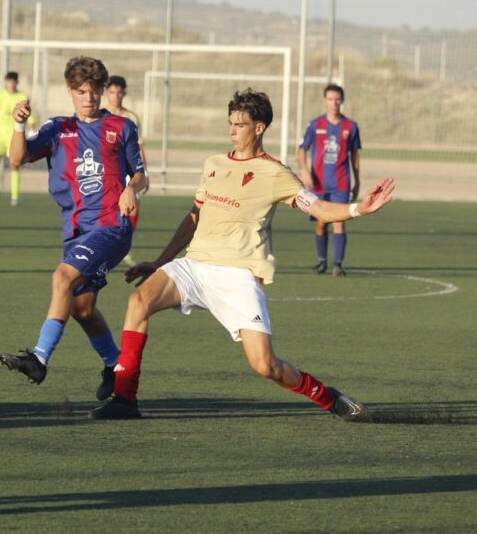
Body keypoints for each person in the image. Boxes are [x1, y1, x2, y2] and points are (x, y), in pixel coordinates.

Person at [90, 88, 394, 420]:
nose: (232, 131)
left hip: (237, 276)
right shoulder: (214, 163)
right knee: (138, 302)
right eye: (230, 123)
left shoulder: (276, 173)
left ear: (259, 128)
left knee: (266, 365)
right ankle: (125, 398)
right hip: (195, 265)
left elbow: (319, 209)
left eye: (240, 124)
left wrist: (358, 209)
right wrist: (161, 262)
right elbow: (194, 216)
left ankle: (328, 397)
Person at [0, 57, 148, 400]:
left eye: (94, 91)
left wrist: (131, 187)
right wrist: (18, 125)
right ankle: (115, 366)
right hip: (76, 231)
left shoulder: (121, 127)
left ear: (102, 91)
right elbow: (17, 159)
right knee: (81, 309)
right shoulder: (57, 128)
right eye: (81, 91)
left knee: (61, 279)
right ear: (70, 92)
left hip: (112, 227)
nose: (89, 98)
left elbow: (140, 174)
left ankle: (38, 358)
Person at [297, 84, 361, 277]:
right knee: (321, 222)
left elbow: (355, 156)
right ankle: (322, 261)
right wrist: (304, 171)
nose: (334, 103)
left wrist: (357, 181)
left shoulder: (351, 126)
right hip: (317, 183)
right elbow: (302, 149)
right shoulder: (315, 125)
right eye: (330, 99)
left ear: (342, 100)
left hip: (340, 184)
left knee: (339, 221)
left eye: (337, 99)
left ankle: (338, 264)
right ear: (325, 101)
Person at [105, 75, 149, 267]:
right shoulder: (100, 115)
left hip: (130, 170)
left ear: (124, 94)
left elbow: (139, 147)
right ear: (107, 93)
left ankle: (125, 248)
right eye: (112, 92)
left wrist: (145, 172)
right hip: (109, 170)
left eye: (119, 92)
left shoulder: (131, 117)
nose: (116, 96)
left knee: (132, 208)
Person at [0, 71, 35, 207]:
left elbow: (30, 115)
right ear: (6, 82)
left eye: (13, 81)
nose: (11, 84)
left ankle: (15, 196)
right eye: (8, 81)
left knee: (14, 165)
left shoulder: (22, 97)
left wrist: (31, 131)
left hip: (13, 138)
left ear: (17, 83)